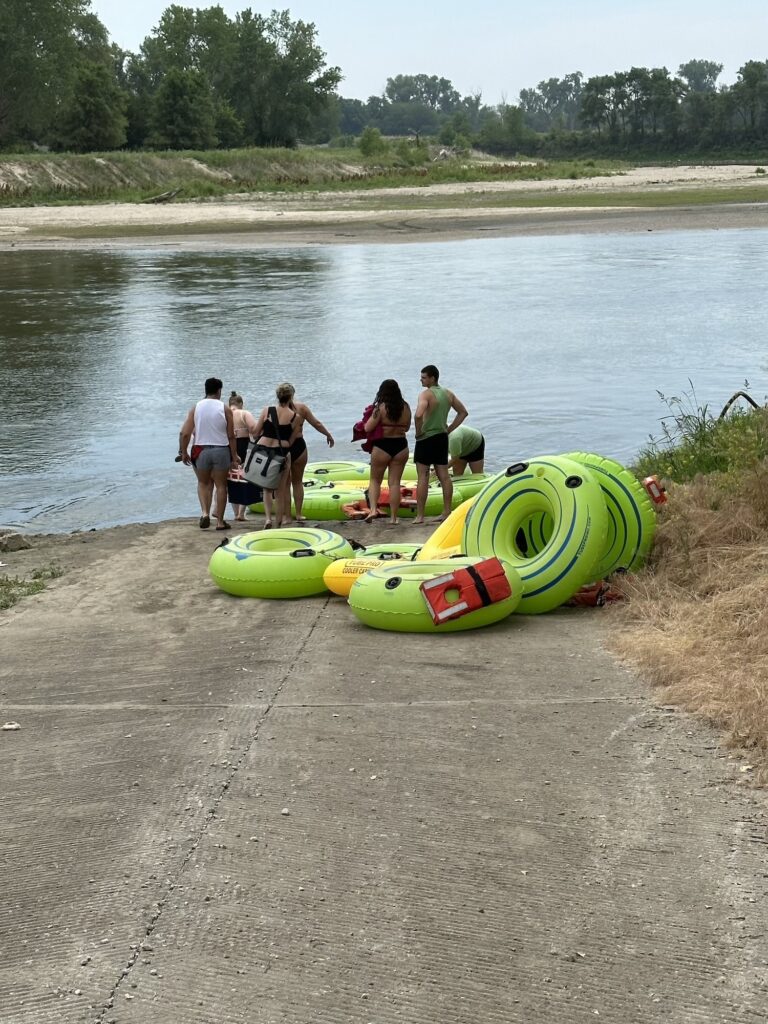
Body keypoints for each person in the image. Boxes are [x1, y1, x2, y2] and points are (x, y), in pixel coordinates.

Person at [179, 377, 240, 531]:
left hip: (201, 451)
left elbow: (185, 433)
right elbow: (231, 435)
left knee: (203, 483)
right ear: (219, 390)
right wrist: (234, 456)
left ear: (205, 390)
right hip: (221, 450)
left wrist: (184, 451)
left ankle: (205, 513)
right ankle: (220, 521)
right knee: (221, 485)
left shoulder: (196, 408)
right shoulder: (224, 408)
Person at [413, 364, 468, 523]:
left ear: (432, 378)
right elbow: (463, 412)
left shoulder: (426, 395)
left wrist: (418, 432)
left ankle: (420, 516)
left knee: (422, 476)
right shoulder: (448, 394)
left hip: (425, 438)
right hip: (441, 438)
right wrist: (449, 429)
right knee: (444, 476)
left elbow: (418, 416)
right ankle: (446, 512)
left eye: (423, 377)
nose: (421, 380)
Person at [278, 383, 335, 523]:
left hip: (282, 448)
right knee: (297, 482)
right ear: (292, 395)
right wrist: (328, 435)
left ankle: (286, 517)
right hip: (299, 446)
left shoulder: (274, 410)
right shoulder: (301, 408)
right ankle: (298, 514)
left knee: (285, 484)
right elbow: (316, 423)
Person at [251, 384, 304, 528]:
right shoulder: (295, 417)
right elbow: (292, 440)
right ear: (291, 397)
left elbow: (255, 432)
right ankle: (278, 523)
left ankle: (268, 518)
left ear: (277, 396)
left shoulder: (267, 410)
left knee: (266, 489)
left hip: (263, 450)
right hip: (281, 453)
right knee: (281, 491)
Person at [363, 379, 412, 524]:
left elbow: (368, 428)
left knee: (375, 480)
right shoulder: (406, 407)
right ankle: (394, 518)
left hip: (382, 446)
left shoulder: (380, 408)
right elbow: (408, 427)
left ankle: (372, 510)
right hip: (401, 446)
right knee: (395, 483)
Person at [228, 391, 259, 522]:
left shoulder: (224, 414)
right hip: (242, 446)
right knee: (244, 478)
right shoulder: (244, 413)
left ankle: (235, 514)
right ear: (240, 404)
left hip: (227, 446)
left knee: (231, 480)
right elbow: (254, 429)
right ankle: (241, 513)